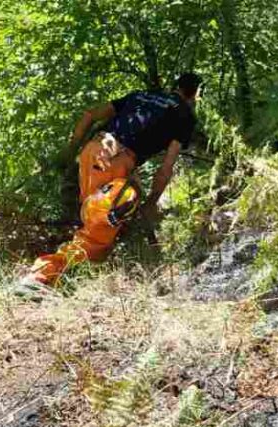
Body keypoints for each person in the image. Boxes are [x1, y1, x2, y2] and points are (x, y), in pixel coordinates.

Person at [21, 72, 202, 292]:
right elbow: (165, 169)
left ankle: (75, 278)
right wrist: (152, 202)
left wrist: (70, 151)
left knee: (97, 217)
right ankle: (40, 278)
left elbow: (90, 115)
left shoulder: (141, 95)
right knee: (98, 232)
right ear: (195, 94)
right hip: (113, 161)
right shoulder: (184, 114)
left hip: (92, 151)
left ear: (176, 86)